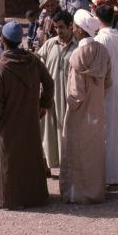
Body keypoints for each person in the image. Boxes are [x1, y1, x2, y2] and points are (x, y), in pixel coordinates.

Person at [0, 21, 54, 210]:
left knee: (8, 159)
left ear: (3, 40)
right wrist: (43, 105)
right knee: (30, 156)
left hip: (7, 124)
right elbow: (49, 83)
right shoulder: (32, 60)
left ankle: (10, 198)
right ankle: (35, 196)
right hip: (30, 119)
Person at [59, 37, 112, 204]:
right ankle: (95, 191)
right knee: (94, 151)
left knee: (77, 150)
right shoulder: (103, 52)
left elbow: (76, 93)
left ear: (79, 29)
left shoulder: (77, 55)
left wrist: (71, 105)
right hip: (96, 109)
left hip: (80, 113)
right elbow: (108, 82)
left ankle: (77, 194)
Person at [36, 10, 78, 170]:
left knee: (66, 131)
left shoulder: (78, 47)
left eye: (61, 27)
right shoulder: (49, 44)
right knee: (46, 130)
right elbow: (38, 64)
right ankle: (46, 163)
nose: (58, 31)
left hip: (68, 97)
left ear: (70, 26)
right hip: (49, 97)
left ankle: (66, 166)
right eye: (55, 28)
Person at [92, 4, 118, 186]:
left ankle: (106, 175)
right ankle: (115, 173)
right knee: (114, 133)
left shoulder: (99, 41)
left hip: (105, 92)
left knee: (105, 133)